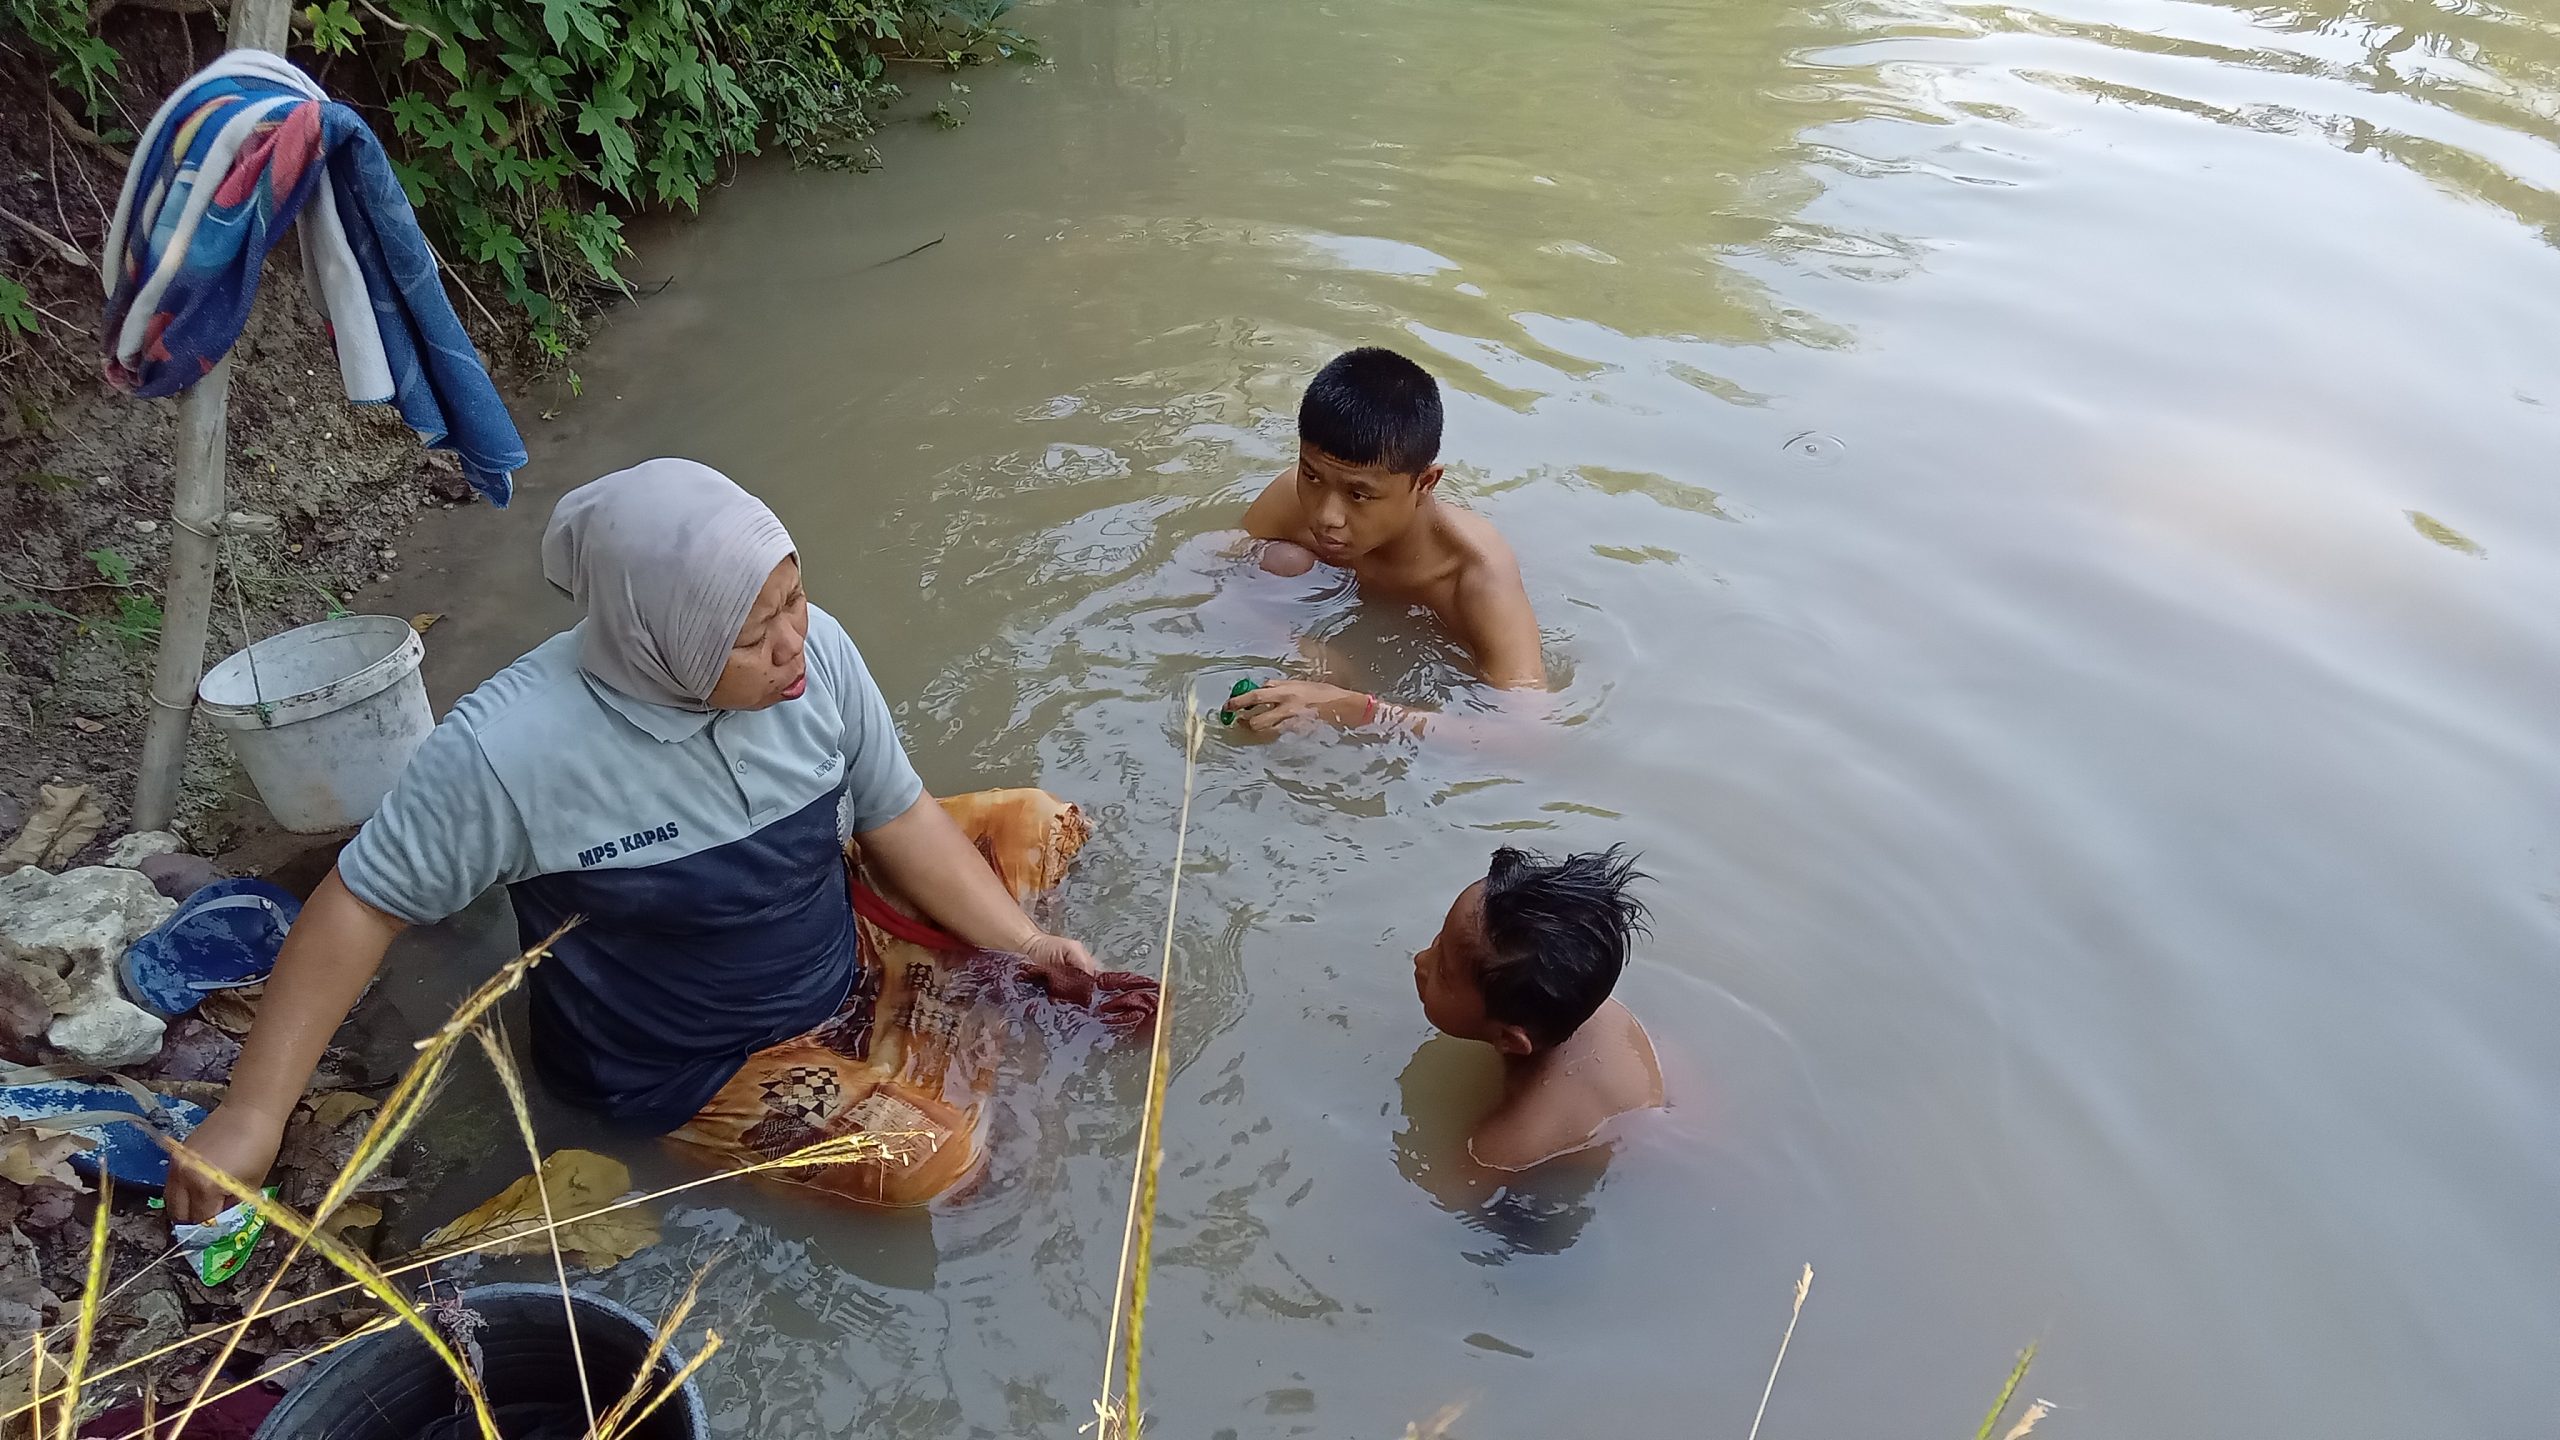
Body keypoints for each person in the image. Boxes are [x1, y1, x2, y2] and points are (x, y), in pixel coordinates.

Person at [165, 459, 1155, 1221]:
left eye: (794, 598)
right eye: (751, 630)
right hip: (691, 1063)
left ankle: (936, 1031)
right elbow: (361, 902)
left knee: (1040, 822)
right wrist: (253, 1116)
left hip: (826, 941)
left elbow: (895, 817)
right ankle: (935, 1055)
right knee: (946, 1172)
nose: (793, 644)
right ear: (659, 634)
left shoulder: (820, 661)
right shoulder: (509, 754)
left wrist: (1026, 949)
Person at [1228, 347, 1545, 735]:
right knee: (1276, 560)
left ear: (1425, 483)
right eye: (1311, 476)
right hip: (1328, 634)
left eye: (1358, 495)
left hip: (1411, 690)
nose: (1326, 516)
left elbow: (1530, 732)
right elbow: (1211, 566)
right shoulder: (1292, 498)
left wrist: (1358, 710)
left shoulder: (1476, 574)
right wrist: (1300, 649)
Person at [1409, 845, 1662, 1169]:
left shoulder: (1508, 1143)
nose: (1421, 960)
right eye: (1438, 941)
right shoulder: (1588, 1005)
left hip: (1623, 1156)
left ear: (1512, 1040)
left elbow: (1449, 1196)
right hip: (1646, 1102)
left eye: (1444, 972)